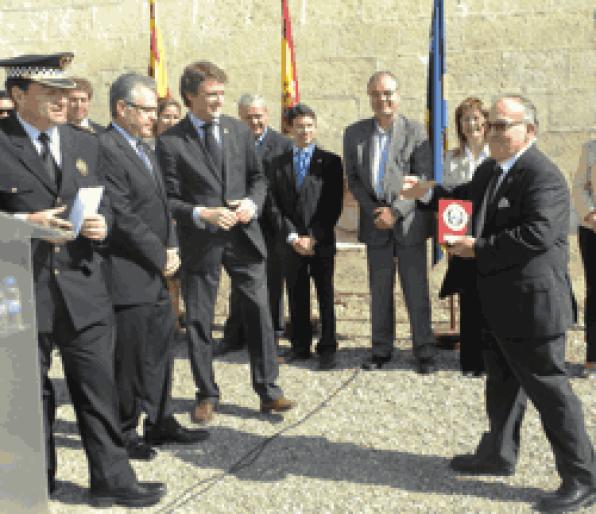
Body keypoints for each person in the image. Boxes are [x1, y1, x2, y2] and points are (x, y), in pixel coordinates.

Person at [401, 94, 596, 513]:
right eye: (492, 124)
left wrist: (480, 247)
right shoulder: (491, 169)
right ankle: (498, 453)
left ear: (530, 130)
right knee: (502, 385)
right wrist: (425, 193)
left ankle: (582, 477)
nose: (493, 131)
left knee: (551, 392)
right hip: (496, 302)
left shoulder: (542, 175)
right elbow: (462, 200)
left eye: (503, 124)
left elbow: (539, 234)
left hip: (533, 306)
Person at [0, 52, 164, 507]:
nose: (63, 98)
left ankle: (112, 480)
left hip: (83, 287)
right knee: (27, 395)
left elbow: (106, 203)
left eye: (63, 90)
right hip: (22, 288)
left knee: (98, 388)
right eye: (49, 92)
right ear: (18, 95)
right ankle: (34, 481)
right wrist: (21, 224)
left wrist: (102, 225)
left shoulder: (83, 142)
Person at [156, 60, 295, 424]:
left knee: (260, 312)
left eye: (221, 93)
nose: (218, 101)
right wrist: (203, 213)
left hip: (244, 237)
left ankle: (269, 390)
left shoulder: (238, 131)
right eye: (210, 94)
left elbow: (258, 178)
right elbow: (168, 198)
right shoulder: (170, 142)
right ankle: (206, 394)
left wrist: (252, 204)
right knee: (200, 319)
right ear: (190, 97)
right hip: (201, 241)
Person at [100, 73, 209, 461]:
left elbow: (164, 207)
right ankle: (125, 430)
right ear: (121, 109)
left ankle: (160, 419)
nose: (153, 117)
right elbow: (123, 214)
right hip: (129, 271)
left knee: (161, 349)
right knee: (129, 356)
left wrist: (173, 246)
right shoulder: (108, 148)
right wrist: (159, 254)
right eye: (146, 110)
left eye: (155, 110)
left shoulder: (148, 148)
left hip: (159, 267)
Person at [343, 70, 437, 374]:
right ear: (369, 96)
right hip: (374, 222)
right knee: (380, 289)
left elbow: (423, 181)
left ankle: (423, 350)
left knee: (416, 289)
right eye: (376, 94)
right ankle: (381, 349)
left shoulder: (416, 132)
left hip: (407, 222)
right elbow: (354, 180)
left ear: (398, 96)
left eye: (388, 93)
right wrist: (375, 211)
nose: (383, 99)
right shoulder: (354, 133)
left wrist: (395, 211)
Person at [268, 103, 343, 370]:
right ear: (290, 129)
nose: (305, 132)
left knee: (324, 294)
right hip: (291, 244)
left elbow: (333, 204)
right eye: (300, 127)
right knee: (296, 294)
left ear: (316, 127)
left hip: (320, 242)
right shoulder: (277, 164)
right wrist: (292, 237)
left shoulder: (331, 162)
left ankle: (327, 347)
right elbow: (273, 205)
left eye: (309, 126)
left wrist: (313, 237)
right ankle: (300, 346)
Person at [216, 93, 292, 356]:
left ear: (267, 115)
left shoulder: (283, 144)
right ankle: (234, 335)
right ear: (240, 118)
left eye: (258, 116)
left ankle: (268, 337)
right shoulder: (231, 142)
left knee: (271, 280)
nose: (254, 122)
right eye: (248, 117)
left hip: (273, 224)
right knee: (240, 282)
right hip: (242, 223)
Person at [439, 97, 490, 377]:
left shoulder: (495, 157)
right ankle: (470, 360)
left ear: (486, 121)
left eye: (476, 118)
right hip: (460, 235)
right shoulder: (452, 159)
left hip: (486, 236)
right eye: (465, 119)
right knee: (467, 296)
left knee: (489, 296)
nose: (471, 124)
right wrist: (448, 236)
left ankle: (490, 356)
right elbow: (447, 198)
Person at [154, 97, 185, 332]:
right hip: (156, 218)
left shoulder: (183, 144)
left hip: (181, 217)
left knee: (178, 274)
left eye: (176, 117)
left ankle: (176, 320)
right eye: (167, 116)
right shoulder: (147, 146)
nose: (171, 121)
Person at [572, 139, 596, 378]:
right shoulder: (590, 149)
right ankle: (593, 357)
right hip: (592, 230)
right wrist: (591, 214)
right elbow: (579, 186)